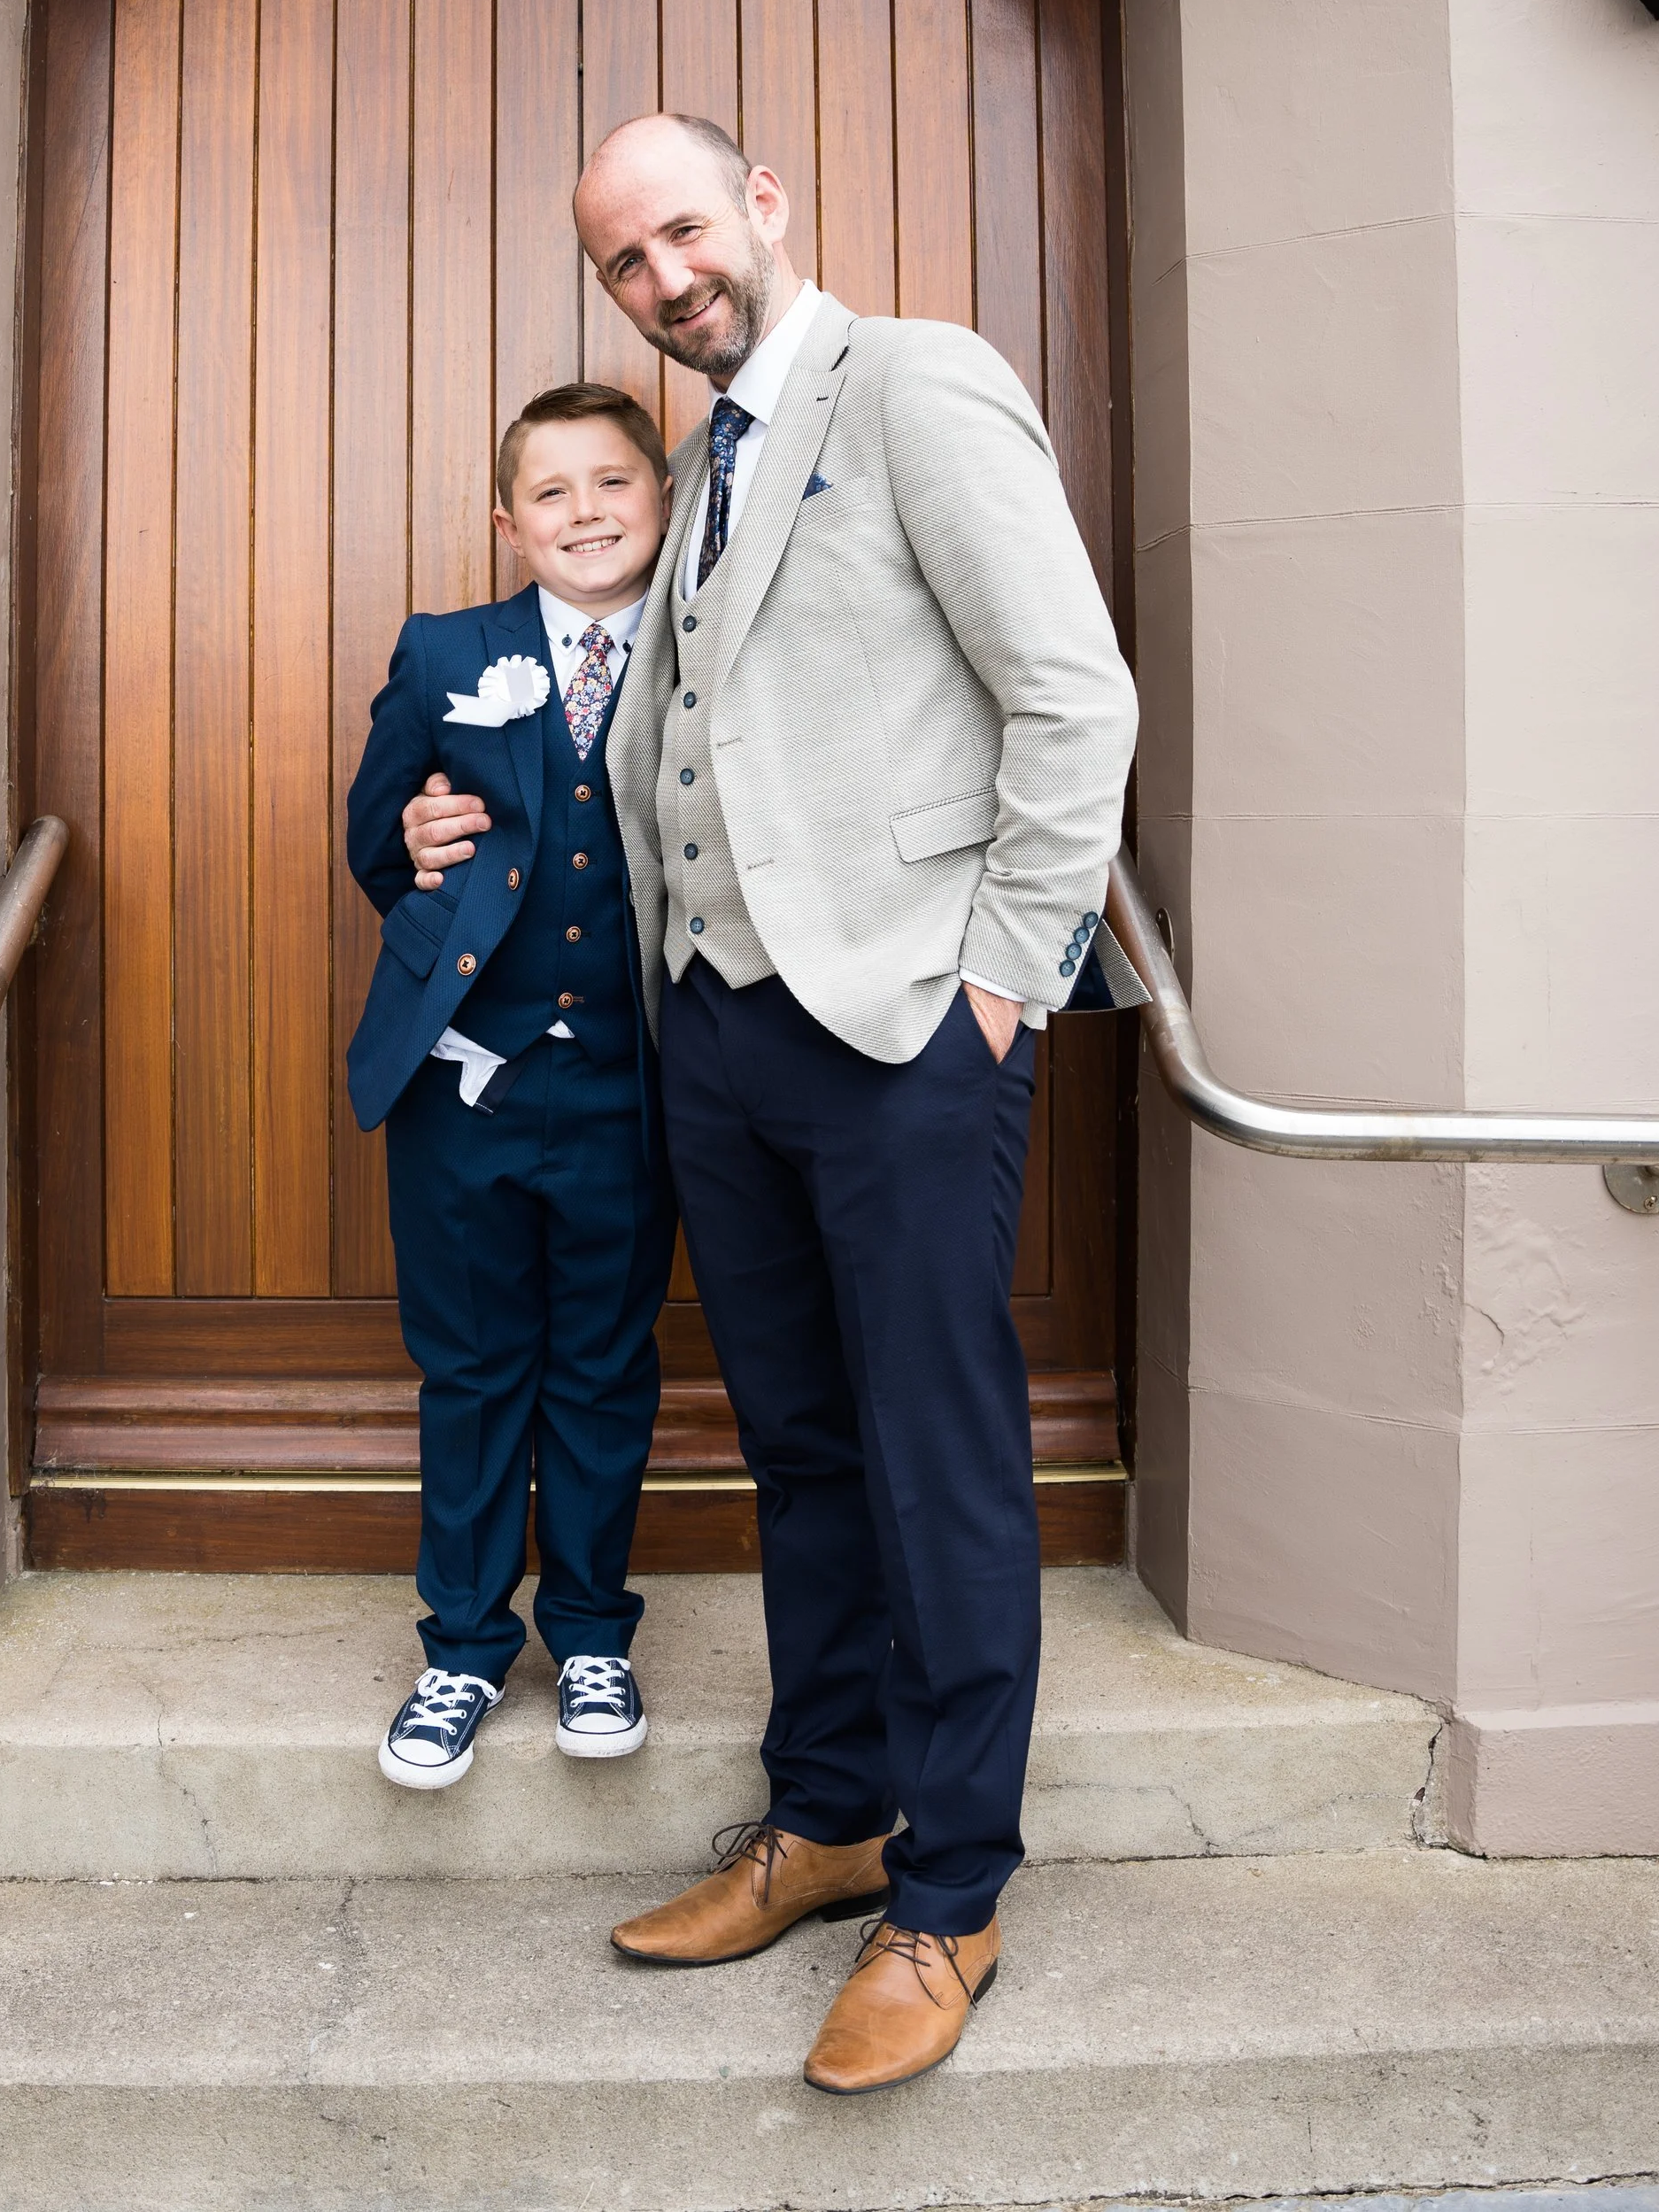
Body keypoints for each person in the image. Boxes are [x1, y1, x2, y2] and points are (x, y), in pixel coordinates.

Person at [399, 116, 1138, 2091]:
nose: (662, 279)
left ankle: (948, 1895)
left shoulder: (913, 381)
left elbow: (1074, 697)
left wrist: (999, 983)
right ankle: (828, 1818)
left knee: (936, 1461)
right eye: (623, 265)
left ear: (767, 209)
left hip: (906, 1029)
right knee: (803, 1453)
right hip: (716, 1040)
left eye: (683, 233)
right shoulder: (700, 466)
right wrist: (440, 827)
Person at [345, 383, 681, 1793]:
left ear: (662, 502)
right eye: (552, 492)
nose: (586, 511)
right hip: (464, 1087)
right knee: (475, 1365)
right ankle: (465, 1649)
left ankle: (593, 1630)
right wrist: (428, 843)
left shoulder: (707, 640)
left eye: (614, 482)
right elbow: (376, 846)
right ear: (509, 522)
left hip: (637, 1085)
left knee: (604, 1362)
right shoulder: (447, 650)